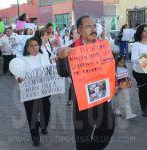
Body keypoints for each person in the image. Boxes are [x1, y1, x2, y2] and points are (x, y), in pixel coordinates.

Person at [56, 16, 115, 150]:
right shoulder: (71, 49)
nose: (93, 29)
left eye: (94, 26)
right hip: (82, 100)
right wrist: (60, 58)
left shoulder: (103, 46)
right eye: (89, 27)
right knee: (83, 136)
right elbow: (62, 73)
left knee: (108, 127)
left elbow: (111, 68)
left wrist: (115, 83)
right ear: (79, 30)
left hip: (103, 96)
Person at [14, 37, 51, 146]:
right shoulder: (21, 60)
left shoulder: (44, 57)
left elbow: (50, 71)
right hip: (30, 93)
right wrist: (19, 79)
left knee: (46, 112)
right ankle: (35, 137)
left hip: (44, 91)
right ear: (27, 48)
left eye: (36, 45)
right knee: (32, 115)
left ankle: (43, 127)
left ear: (39, 46)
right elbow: (18, 75)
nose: (34, 48)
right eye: (31, 46)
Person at [131, 24, 147, 117]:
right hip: (139, 72)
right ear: (140, 32)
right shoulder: (137, 44)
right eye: (144, 31)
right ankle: (144, 108)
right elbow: (133, 59)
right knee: (143, 90)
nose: (146, 32)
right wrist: (144, 59)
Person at [115, 55, 137, 119]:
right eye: (121, 62)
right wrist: (116, 87)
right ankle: (117, 110)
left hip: (125, 86)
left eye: (123, 62)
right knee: (118, 99)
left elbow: (127, 76)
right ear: (117, 62)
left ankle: (129, 114)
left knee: (127, 99)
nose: (123, 63)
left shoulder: (125, 68)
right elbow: (114, 79)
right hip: (119, 86)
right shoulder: (115, 69)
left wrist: (129, 82)